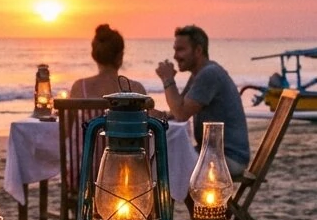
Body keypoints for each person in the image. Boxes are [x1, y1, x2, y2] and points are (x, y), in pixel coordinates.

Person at [156, 24, 249, 175]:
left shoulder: (209, 74)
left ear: (198, 50)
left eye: (180, 50)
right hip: (213, 153)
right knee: (167, 159)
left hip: (229, 158)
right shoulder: (199, 74)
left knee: (166, 163)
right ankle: (178, 198)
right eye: (175, 50)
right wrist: (158, 115)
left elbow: (181, 113)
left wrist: (167, 79)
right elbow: (178, 108)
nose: (175, 56)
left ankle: (171, 198)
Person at [68, 24, 149, 99]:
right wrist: (162, 79)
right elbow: (154, 114)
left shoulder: (80, 87)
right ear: (120, 56)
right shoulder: (136, 89)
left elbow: (68, 115)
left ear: (94, 56)